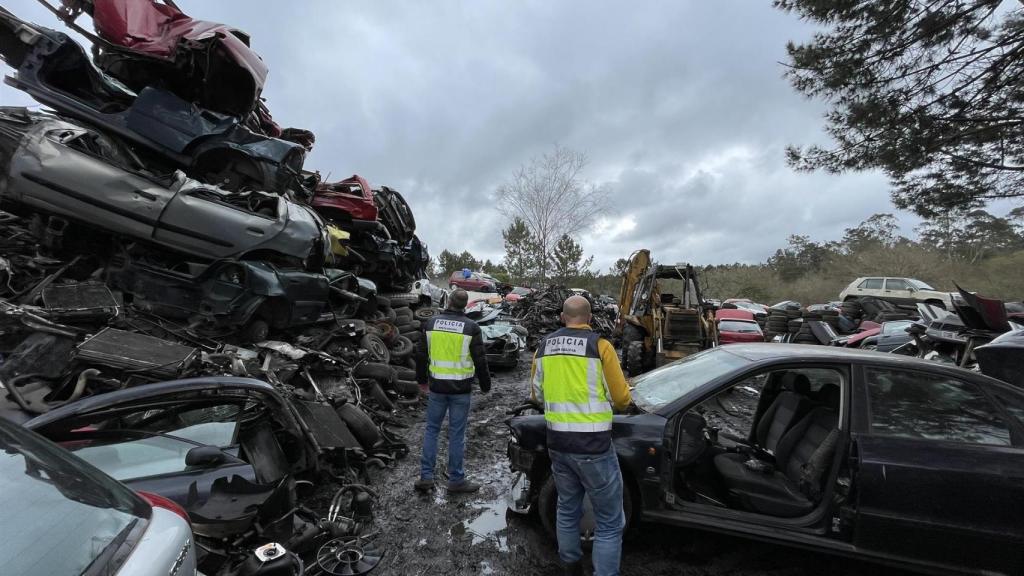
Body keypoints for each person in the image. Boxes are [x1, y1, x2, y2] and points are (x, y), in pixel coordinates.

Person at [531, 295, 632, 576]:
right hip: (594, 447)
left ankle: (571, 566)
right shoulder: (600, 347)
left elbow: (537, 395)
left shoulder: (543, 347)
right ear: (589, 318)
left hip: (558, 445)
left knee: (567, 507)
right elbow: (621, 398)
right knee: (610, 521)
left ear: (563, 317)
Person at [415, 288, 491, 493]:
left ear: (448, 302)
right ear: (465, 305)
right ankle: (456, 480)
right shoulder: (471, 327)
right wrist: (485, 385)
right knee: (457, 434)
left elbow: (421, 355)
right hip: (461, 389)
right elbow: (480, 359)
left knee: (432, 430)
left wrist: (422, 382)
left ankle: (426, 477)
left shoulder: (430, 324)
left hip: (437, 387)